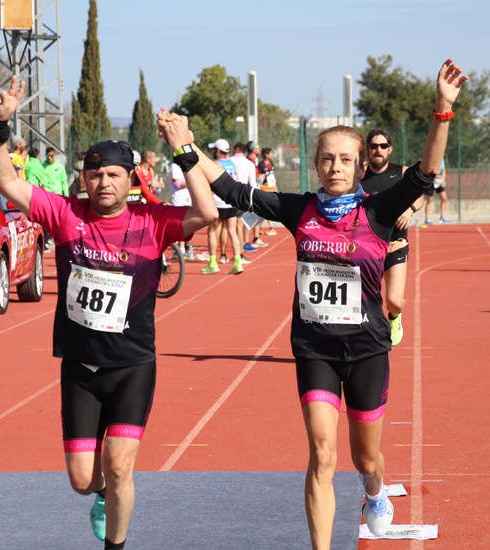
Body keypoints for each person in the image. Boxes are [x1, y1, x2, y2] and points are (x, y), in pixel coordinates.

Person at [161, 59, 465, 547]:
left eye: (346, 159)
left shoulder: (379, 210)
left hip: (366, 349)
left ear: (362, 166)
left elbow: (427, 172)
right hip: (315, 350)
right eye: (327, 159)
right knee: (322, 456)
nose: (335, 167)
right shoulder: (298, 208)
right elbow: (229, 189)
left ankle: (375, 491)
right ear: (316, 163)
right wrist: (185, 146)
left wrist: (442, 111)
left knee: (367, 459)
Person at [0, 76, 217, 549]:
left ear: (131, 180)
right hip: (81, 367)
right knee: (82, 477)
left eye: (113, 174)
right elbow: (6, 180)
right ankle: (103, 494)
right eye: (95, 174)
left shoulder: (153, 222)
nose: (103, 182)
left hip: (132, 365)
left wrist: (185, 150)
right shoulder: (65, 214)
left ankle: (116, 544)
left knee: (121, 464)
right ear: (83, 179)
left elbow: (208, 212)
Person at [360, 128, 422, 346]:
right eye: (374, 146)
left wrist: (410, 209)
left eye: (383, 146)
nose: (378, 150)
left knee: (394, 301)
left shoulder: (402, 172)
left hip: (396, 245)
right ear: (367, 149)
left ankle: (395, 318)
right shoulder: (358, 175)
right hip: (367, 249)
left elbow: (419, 195)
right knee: (364, 302)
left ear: (390, 149)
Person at [203, 139, 243, 275]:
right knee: (232, 231)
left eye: (214, 149)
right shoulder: (232, 164)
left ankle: (213, 263)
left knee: (212, 231)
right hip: (231, 202)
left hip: (218, 203)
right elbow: (236, 181)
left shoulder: (215, 164)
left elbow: (208, 184)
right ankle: (238, 262)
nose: (213, 152)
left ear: (219, 151)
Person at [257, 147, 279, 236]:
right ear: (266, 155)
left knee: (266, 209)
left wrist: (275, 187)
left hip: (271, 188)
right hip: (264, 188)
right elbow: (260, 177)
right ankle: (270, 228)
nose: (272, 155)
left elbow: (272, 176)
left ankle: (262, 228)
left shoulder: (271, 163)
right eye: (271, 153)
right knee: (266, 208)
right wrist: (258, 187)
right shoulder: (261, 165)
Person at [422, 158, 450, 224]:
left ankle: (442, 217)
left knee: (444, 198)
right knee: (429, 200)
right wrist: (435, 176)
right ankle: (427, 219)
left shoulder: (442, 160)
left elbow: (443, 170)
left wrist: (443, 178)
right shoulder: (432, 158)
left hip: (439, 182)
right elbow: (429, 170)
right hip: (431, 181)